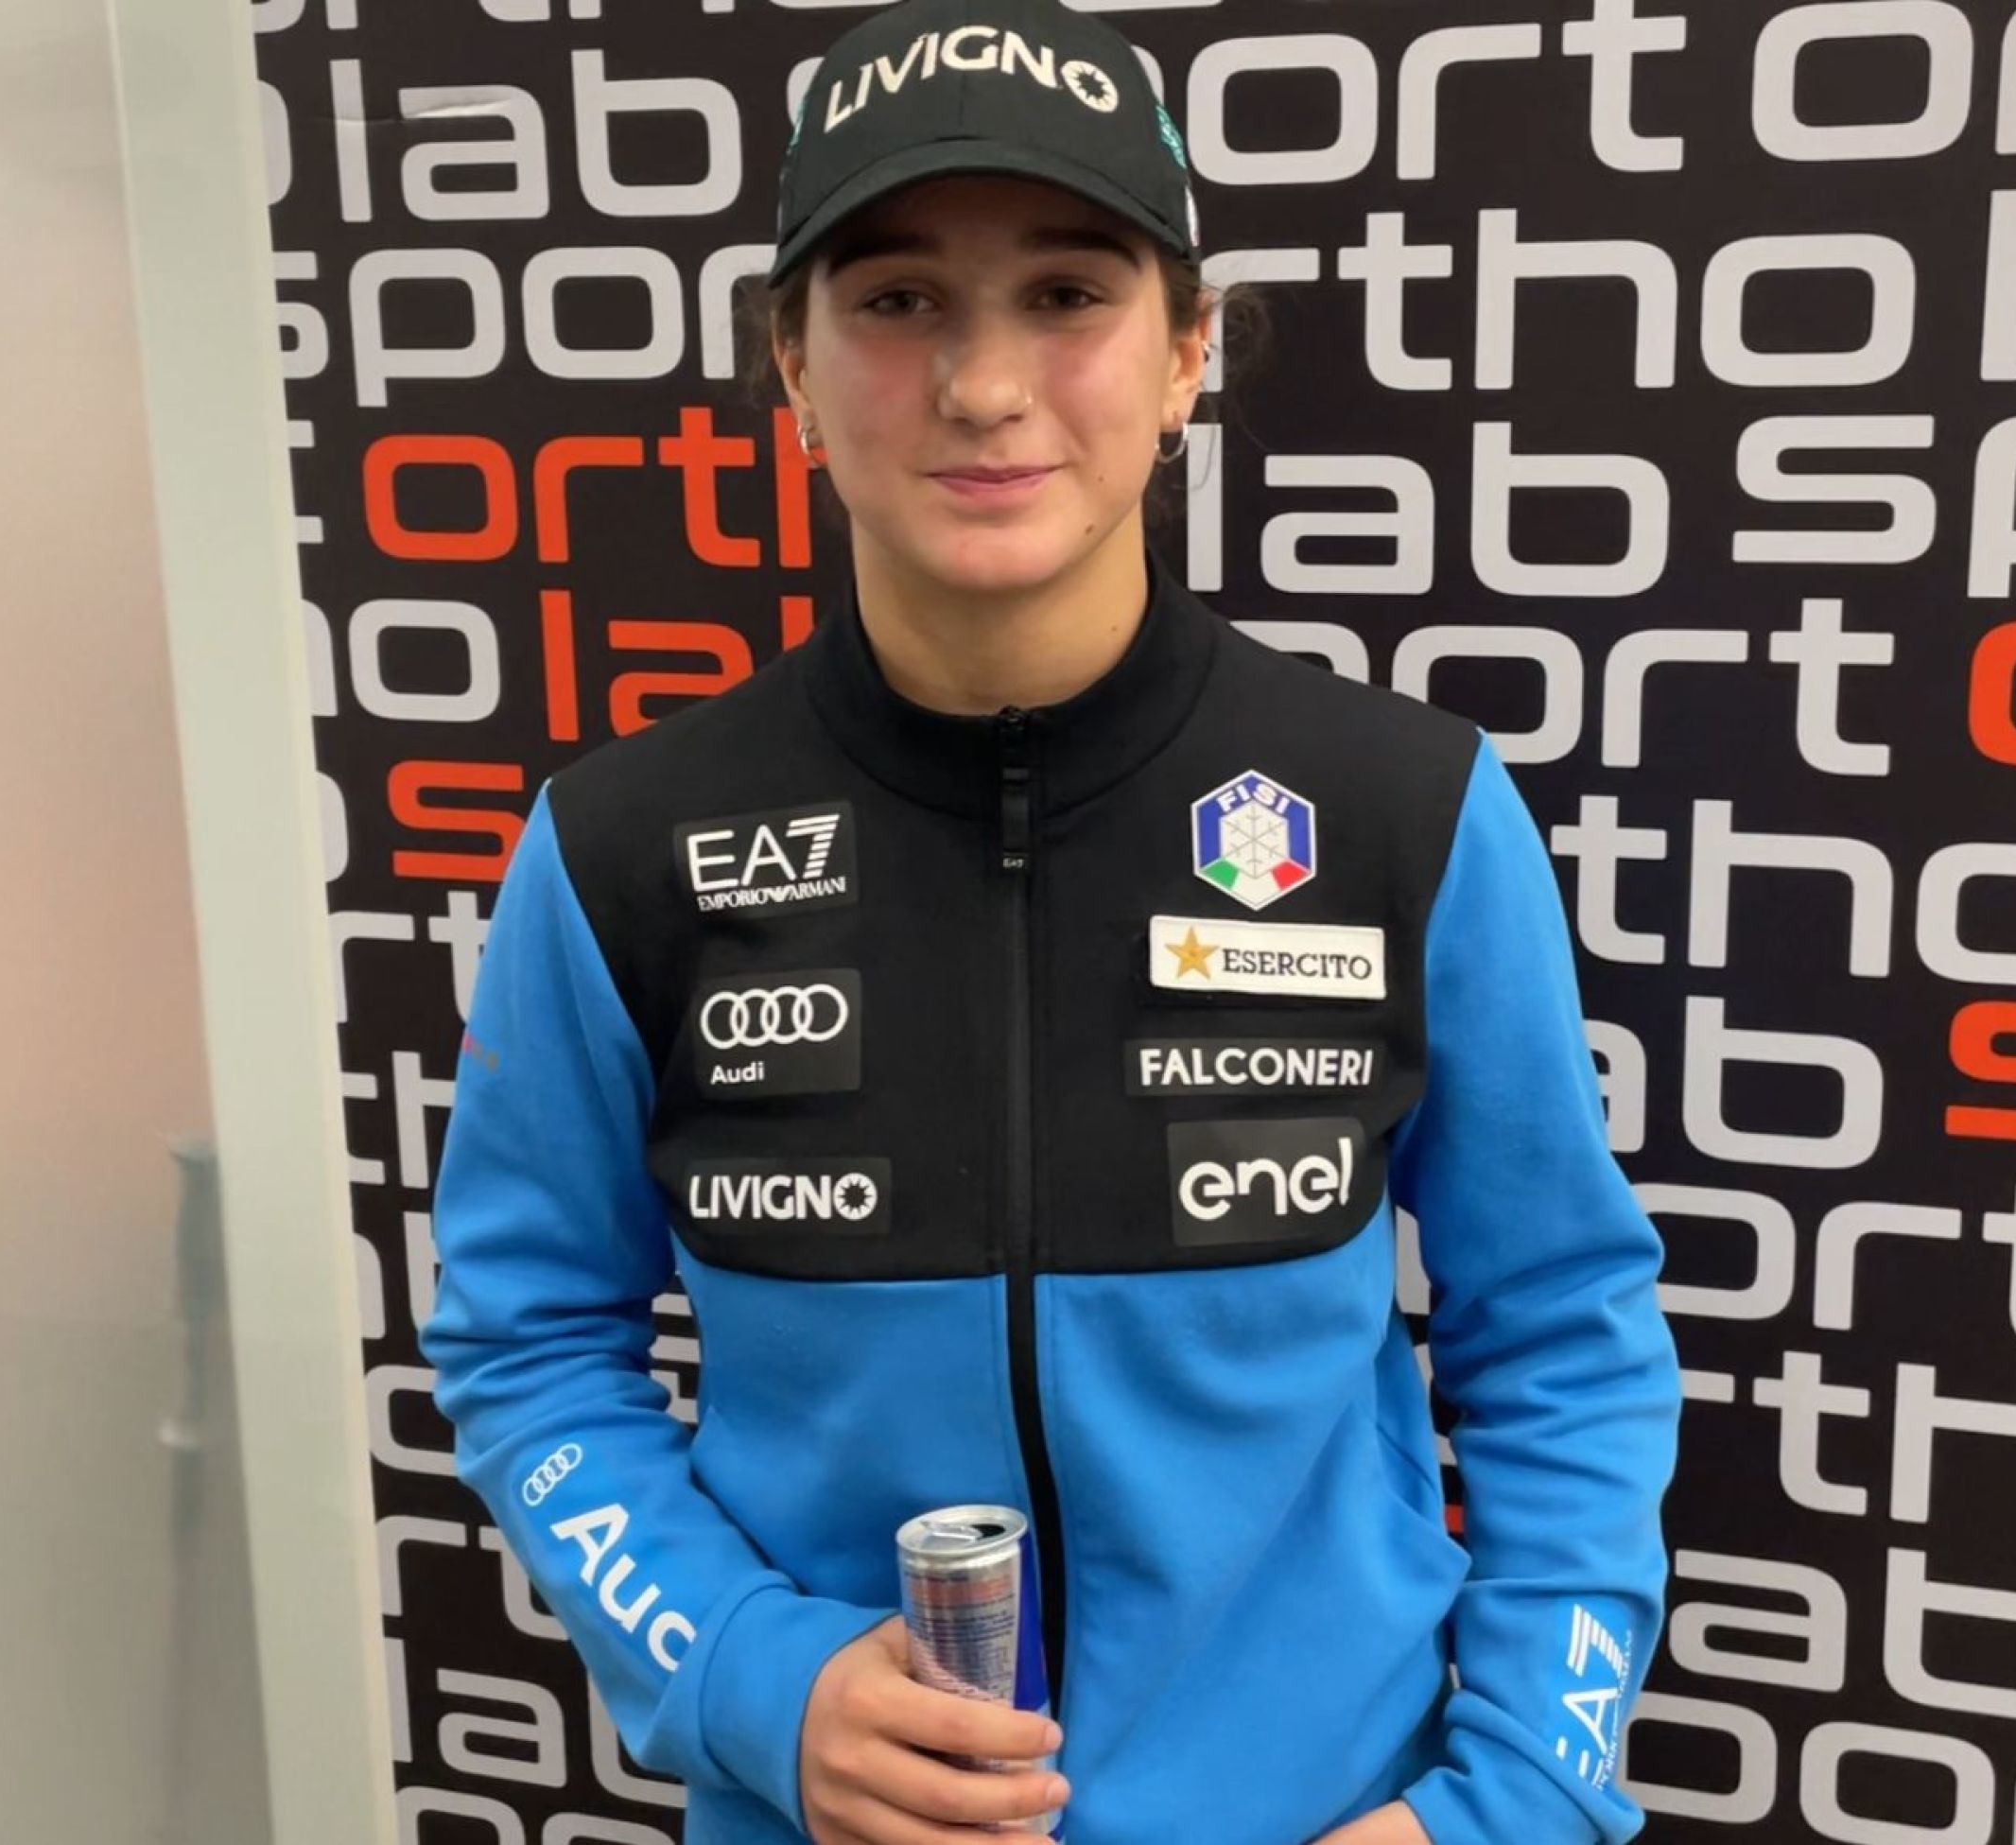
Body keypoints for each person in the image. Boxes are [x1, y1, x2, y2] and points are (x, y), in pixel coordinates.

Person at [423, 1, 1681, 1840]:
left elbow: (1563, 1324)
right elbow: (526, 1341)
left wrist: (1517, 1794)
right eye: (898, 298)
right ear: (791, 363)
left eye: (1069, 293)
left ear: (1187, 353)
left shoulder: (1406, 811)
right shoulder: (620, 846)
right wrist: (749, 1675)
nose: (984, 385)